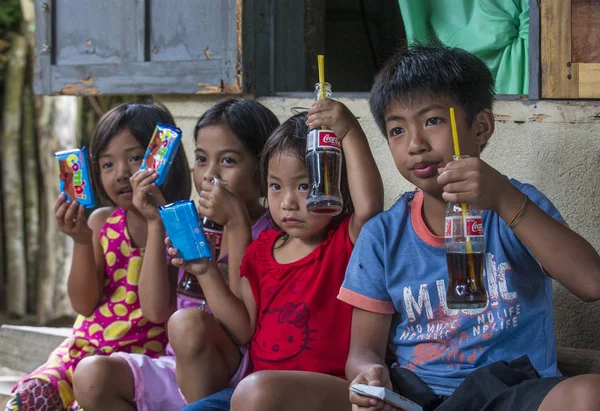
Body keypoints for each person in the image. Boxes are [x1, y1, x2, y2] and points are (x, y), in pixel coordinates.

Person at [340, 44, 600, 411]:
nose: (415, 144)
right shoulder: (383, 235)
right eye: (397, 130)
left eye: (433, 121)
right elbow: (363, 351)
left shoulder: (516, 206)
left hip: (509, 396)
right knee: (262, 391)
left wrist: (504, 199)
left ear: (480, 127)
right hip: (415, 398)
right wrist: (368, 375)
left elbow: (591, 283)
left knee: (591, 395)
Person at [72, 99, 280, 411]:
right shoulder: (187, 219)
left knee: (187, 325)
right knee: (92, 375)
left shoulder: (272, 234)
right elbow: (156, 311)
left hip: (238, 376)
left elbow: (240, 330)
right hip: (177, 366)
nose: (210, 175)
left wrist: (236, 223)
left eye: (228, 161)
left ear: (262, 166)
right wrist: (157, 221)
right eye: (201, 159)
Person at [179, 101, 384, 411]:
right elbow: (242, 328)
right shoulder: (260, 251)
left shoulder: (345, 243)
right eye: (276, 186)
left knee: (256, 392)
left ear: (336, 186)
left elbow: (368, 206)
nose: (288, 202)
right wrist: (205, 271)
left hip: (330, 392)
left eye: (303, 185)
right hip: (259, 394)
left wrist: (349, 131)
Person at [5, 102, 192, 411]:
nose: (121, 173)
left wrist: (155, 223)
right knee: (28, 399)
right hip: (81, 352)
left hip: (135, 364)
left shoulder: (181, 227)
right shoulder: (102, 222)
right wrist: (80, 240)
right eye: (107, 164)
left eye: (134, 158)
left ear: (165, 156)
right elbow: (83, 304)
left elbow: (157, 311)